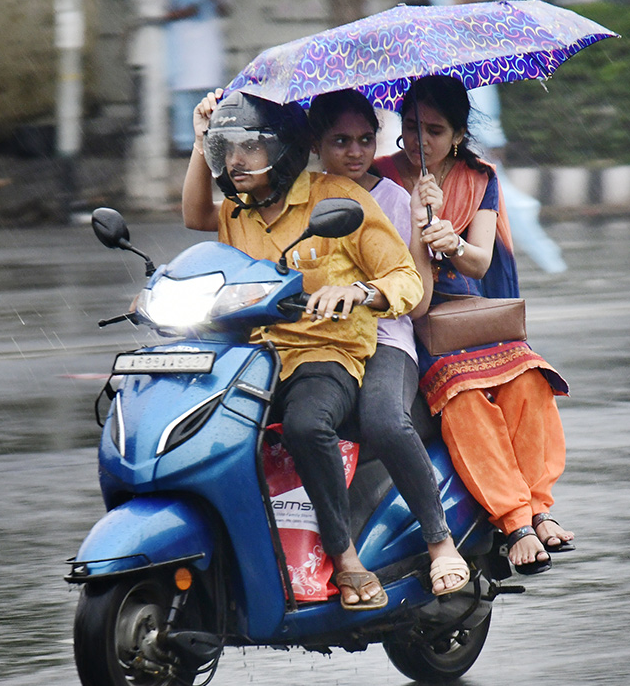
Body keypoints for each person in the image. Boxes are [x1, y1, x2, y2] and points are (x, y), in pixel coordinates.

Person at [182, 88, 424, 609]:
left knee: (305, 426)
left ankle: (345, 557)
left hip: (326, 348)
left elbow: (405, 277)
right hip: (254, 353)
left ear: (288, 149)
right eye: (229, 148)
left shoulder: (337, 198)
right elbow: (193, 218)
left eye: (251, 146)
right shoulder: (238, 210)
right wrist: (202, 140)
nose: (237, 159)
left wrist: (358, 291)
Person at [374, 75, 575, 574]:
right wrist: (417, 220)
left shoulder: (478, 177)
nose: (420, 141)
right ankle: (517, 521)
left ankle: (540, 504)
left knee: (529, 379)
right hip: (412, 314)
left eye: (435, 131)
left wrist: (452, 240)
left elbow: (480, 263)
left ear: (458, 135)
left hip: (470, 311)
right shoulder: (379, 176)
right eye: (412, 127)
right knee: (462, 397)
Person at [308, 89, 470, 595]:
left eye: (364, 139)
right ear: (316, 144)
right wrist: (206, 145)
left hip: (384, 337)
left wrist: (423, 225)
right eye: (340, 141)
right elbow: (206, 218)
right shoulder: (298, 197)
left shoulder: (395, 199)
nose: (355, 152)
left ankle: (440, 540)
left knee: (382, 419)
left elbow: (416, 302)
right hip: (315, 342)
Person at [417, 0, 568, 274]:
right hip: (467, 143)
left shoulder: (436, 30)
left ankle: (544, 260)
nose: (474, 1)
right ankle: (548, 262)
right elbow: (479, 98)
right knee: (497, 207)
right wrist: (492, 141)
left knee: (489, 209)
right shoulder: (458, 37)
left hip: (466, 141)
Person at [165, 0, 231, 154]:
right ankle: (185, 143)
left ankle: (212, 138)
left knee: (209, 93)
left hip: (206, 43)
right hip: (182, 44)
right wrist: (183, 12)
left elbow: (225, 9)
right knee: (184, 97)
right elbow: (160, 13)